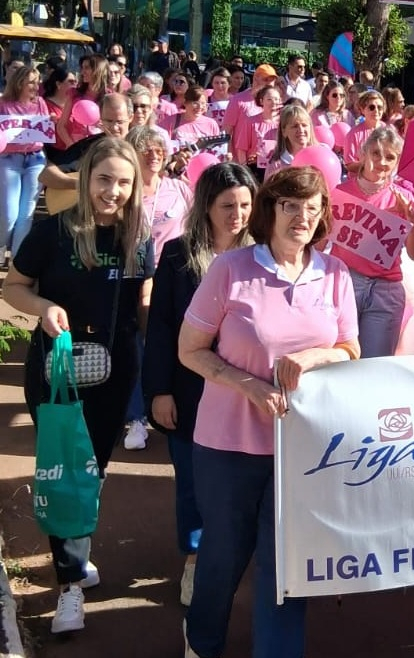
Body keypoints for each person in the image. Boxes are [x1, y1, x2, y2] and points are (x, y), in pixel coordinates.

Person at [178, 166, 359, 658]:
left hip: (301, 449)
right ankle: (202, 640)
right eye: (291, 206)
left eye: (312, 207)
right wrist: (248, 385)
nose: (302, 216)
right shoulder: (230, 269)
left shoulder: (335, 273)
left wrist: (312, 357)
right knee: (224, 554)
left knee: (286, 563)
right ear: (271, 210)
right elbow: (190, 350)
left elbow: (349, 348)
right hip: (228, 444)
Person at [3, 137, 154, 633]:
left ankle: (72, 557)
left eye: (123, 182)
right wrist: (44, 308)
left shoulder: (138, 236)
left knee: (91, 471)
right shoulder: (53, 233)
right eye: (104, 178)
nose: (113, 191)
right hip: (56, 368)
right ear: (87, 176)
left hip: (116, 370)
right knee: (65, 469)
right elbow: (13, 286)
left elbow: (143, 302)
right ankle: (70, 585)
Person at [143, 162, 257, 607]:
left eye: (246, 205)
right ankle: (194, 560)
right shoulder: (176, 255)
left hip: (243, 392)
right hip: (189, 391)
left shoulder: (262, 253)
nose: (238, 214)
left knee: (237, 484)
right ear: (206, 206)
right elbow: (162, 327)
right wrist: (158, 391)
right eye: (227, 205)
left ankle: (233, 558)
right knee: (192, 480)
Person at [121, 126, 194, 451]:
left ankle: (177, 409)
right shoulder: (128, 191)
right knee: (139, 346)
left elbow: (197, 225)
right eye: (145, 149)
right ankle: (137, 417)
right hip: (135, 276)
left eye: (158, 148)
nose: (153, 154)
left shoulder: (178, 187)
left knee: (172, 344)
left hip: (177, 275)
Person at [330, 126, 414, 357]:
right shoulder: (339, 192)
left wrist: (412, 221)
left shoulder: (403, 198)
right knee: (340, 362)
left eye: (390, 157)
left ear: (397, 162)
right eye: (375, 153)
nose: (382, 161)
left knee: (374, 367)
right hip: (346, 283)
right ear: (363, 154)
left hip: (385, 290)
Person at [0, 65, 50, 258]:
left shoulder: (40, 103)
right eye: (31, 82)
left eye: (37, 82)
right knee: (9, 213)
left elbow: (45, 131)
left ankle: (18, 259)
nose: (35, 86)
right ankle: (2, 244)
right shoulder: (4, 103)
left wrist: (50, 122)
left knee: (26, 214)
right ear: (19, 82)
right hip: (8, 159)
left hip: (35, 159)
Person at [234, 85, 283, 182]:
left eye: (277, 99)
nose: (274, 102)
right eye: (269, 99)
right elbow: (241, 149)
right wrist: (245, 170)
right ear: (261, 101)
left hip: (278, 170)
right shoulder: (250, 122)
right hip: (255, 170)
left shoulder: (283, 122)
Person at [265, 105, 315, 179]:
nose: (301, 130)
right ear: (284, 131)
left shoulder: (321, 155)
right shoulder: (276, 165)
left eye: (304, 125)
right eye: (295, 126)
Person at [343, 90, 387, 166]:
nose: (376, 110)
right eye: (371, 107)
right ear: (362, 109)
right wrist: (370, 166)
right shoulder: (354, 134)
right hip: (360, 177)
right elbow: (349, 164)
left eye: (379, 107)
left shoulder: (388, 130)